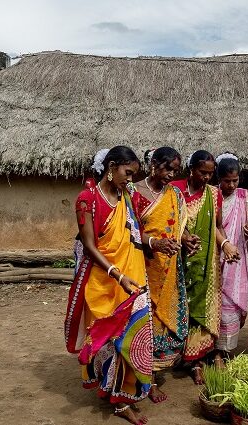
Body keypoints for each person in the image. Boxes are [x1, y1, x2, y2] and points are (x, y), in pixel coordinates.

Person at [64, 146, 153, 425]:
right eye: (127, 173)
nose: (130, 179)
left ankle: (123, 393)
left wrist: (159, 242)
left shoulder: (128, 196)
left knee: (130, 339)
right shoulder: (87, 199)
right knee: (110, 341)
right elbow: (90, 246)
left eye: (134, 175)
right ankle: (116, 400)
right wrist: (117, 275)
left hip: (134, 278)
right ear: (112, 166)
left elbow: (142, 231)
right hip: (104, 282)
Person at [170, 150, 239, 383]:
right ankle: (178, 356)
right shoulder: (175, 190)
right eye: (203, 173)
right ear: (191, 170)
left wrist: (227, 244)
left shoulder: (214, 194)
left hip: (206, 264)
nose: (207, 178)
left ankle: (196, 360)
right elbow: (169, 224)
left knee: (201, 308)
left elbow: (217, 227)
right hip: (177, 261)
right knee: (180, 308)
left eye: (211, 174)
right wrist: (184, 236)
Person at [134, 147, 188, 402]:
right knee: (144, 323)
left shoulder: (175, 194)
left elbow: (179, 228)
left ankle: (153, 374)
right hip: (142, 269)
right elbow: (128, 232)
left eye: (175, 170)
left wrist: (188, 239)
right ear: (153, 164)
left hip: (170, 270)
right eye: (167, 168)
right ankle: (146, 380)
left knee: (162, 325)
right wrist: (154, 243)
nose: (170, 174)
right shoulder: (133, 192)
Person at [214, 153, 248, 357]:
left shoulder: (245, 198)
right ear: (218, 179)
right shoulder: (211, 196)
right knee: (214, 303)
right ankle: (211, 351)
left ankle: (224, 350)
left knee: (229, 306)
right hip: (214, 257)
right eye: (227, 181)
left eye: (235, 181)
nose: (232, 185)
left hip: (237, 261)